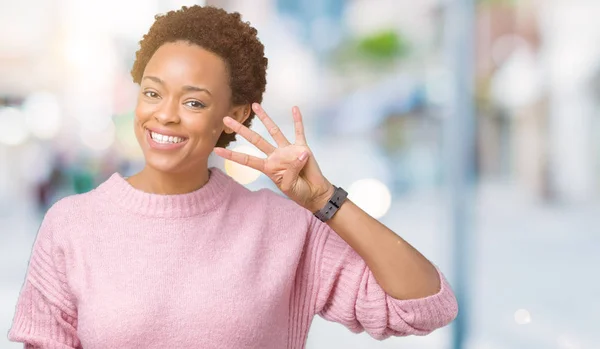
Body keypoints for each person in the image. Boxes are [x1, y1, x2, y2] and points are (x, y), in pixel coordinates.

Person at [7, 5, 458, 349]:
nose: (164, 116)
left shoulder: (284, 229)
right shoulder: (72, 224)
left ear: (235, 115)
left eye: (194, 102)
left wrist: (325, 199)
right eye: (152, 93)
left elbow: (423, 306)